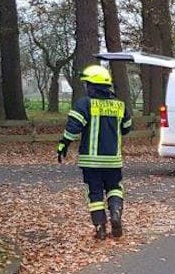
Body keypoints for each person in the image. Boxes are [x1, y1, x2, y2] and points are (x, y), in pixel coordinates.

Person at [57, 65, 132, 239]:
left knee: (95, 193)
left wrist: (63, 144)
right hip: (113, 160)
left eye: (86, 84)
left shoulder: (84, 104)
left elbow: (73, 128)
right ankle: (115, 212)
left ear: (91, 85)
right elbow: (127, 128)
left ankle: (100, 228)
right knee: (115, 188)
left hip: (91, 161)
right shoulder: (119, 105)